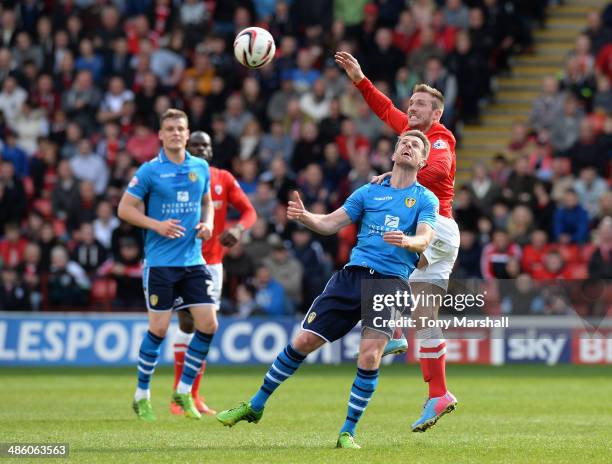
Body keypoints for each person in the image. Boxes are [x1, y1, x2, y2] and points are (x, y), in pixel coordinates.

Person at [216, 130, 442, 449]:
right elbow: (330, 224)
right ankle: (255, 405)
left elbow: (425, 238)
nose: (408, 146)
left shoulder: (425, 199)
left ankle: (347, 432)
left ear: (422, 160)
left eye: (415, 146)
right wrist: (304, 216)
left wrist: (408, 241)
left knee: (369, 354)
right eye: (403, 143)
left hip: (389, 282)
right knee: (304, 340)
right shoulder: (368, 192)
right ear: (393, 155)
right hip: (351, 276)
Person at [335, 51, 459, 431]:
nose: (413, 108)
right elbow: (384, 108)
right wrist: (359, 79)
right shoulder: (410, 131)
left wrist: (400, 175)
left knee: (383, 245)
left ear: (436, 113)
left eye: (421, 105)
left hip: (436, 227)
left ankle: (390, 326)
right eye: (412, 103)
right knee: (426, 318)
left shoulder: (439, 138)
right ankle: (438, 394)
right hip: (434, 235)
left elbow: (439, 168)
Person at [117, 109, 216, 421]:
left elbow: (206, 202)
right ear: (160, 135)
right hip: (161, 263)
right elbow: (124, 209)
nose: (176, 133)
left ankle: (183, 391)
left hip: (192, 260)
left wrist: (208, 224)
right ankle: (141, 395)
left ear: (188, 134)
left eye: (181, 128)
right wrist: (156, 225)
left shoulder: (200, 167)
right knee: (158, 330)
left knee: (208, 325)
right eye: (170, 128)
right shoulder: (149, 171)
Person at [170, 131, 256, 416]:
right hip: (181, 261)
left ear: (211, 150)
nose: (200, 149)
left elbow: (248, 212)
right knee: (186, 323)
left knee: (205, 327)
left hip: (212, 264)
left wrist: (238, 228)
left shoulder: (223, 179)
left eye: (204, 145)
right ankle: (177, 397)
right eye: (194, 145)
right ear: (186, 148)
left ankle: (192, 396)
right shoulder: (173, 177)